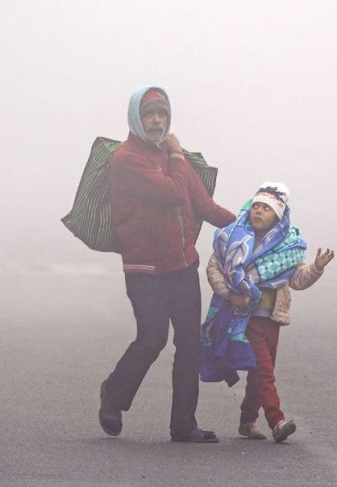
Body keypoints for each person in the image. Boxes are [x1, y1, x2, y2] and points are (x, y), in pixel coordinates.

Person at [98, 85, 236, 443]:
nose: (157, 120)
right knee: (152, 338)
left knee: (190, 343)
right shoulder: (127, 160)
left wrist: (247, 224)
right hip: (145, 270)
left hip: (182, 266)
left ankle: (183, 425)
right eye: (149, 114)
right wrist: (176, 156)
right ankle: (113, 395)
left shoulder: (174, 158)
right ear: (136, 119)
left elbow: (203, 204)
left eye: (162, 113)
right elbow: (172, 193)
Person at [202, 182, 335, 442]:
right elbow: (214, 269)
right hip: (244, 318)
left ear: (279, 216)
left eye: (266, 208)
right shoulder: (232, 240)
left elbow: (297, 280)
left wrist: (316, 268)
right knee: (264, 370)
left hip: (271, 320)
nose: (259, 212)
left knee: (259, 371)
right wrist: (231, 295)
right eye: (256, 206)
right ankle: (277, 420)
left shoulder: (287, 248)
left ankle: (247, 420)